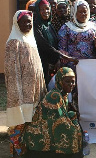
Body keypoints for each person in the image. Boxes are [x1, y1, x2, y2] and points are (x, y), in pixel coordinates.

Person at [5, 10, 47, 158]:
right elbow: (12, 71)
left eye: (30, 22)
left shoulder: (31, 40)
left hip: (35, 92)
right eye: (24, 22)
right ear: (17, 24)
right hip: (21, 94)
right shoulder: (13, 42)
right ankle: (17, 154)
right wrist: (17, 94)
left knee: (31, 125)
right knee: (19, 125)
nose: (28, 24)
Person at [24, 67, 83, 158]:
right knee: (72, 131)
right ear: (59, 81)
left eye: (73, 81)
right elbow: (59, 121)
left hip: (49, 126)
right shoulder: (54, 95)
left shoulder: (63, 94)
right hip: (39, 131)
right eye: (67, 81)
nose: (71, 84)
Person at [33, 0, 77, 85]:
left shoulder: (49, 25)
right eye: (42, 9)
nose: (45, 11)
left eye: (47, 8)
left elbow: (55, 44)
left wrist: (57, 60)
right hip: (42, 64)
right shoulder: (36, 26)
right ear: (37, 11)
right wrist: (65, 57)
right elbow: (44, 45)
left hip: (53, 63)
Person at [58, 0, 96, 71]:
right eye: (80, 12)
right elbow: (62, 49)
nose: (83, 14)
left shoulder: (93, 26)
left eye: (85, 12)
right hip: (73, 65)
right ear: (75, 12)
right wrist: (68, 59)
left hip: (90, 65)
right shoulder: (66, 28)